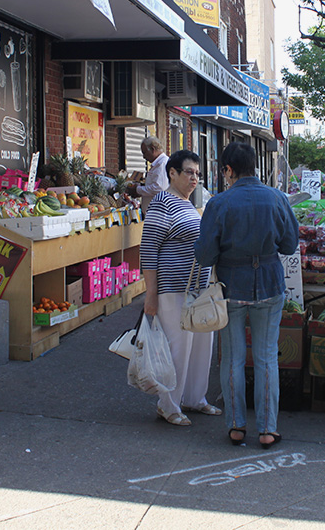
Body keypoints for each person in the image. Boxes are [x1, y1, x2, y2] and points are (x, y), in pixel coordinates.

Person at [195, 142, 299, 449]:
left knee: (232, 357)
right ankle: (267, 429)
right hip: (269, 284)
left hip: (231, 287)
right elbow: (290, 246)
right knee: (267, 358)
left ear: (228, 169)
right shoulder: (277, 198)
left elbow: (204, 255)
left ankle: (236, 426)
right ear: (254, 165)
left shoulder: (219, 203)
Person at [139, 149, 218, 426]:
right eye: (189, 172)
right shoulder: (162, 202)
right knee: (179, 347)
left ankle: (195, 398)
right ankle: (168, 405)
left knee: (201, 344)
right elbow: (149, 249)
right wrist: (151, 295)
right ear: (172, 173)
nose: (194, 178)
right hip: (172, 289)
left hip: (197, 290)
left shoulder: (186, 204)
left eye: (197, 173)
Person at [127, 136, 169, 215]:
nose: (144, 157)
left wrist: (138, 189)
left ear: (153, 149)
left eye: (145, 153)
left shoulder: (162, 164)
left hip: (158, 215)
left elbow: (158, 188)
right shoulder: (158, 164)